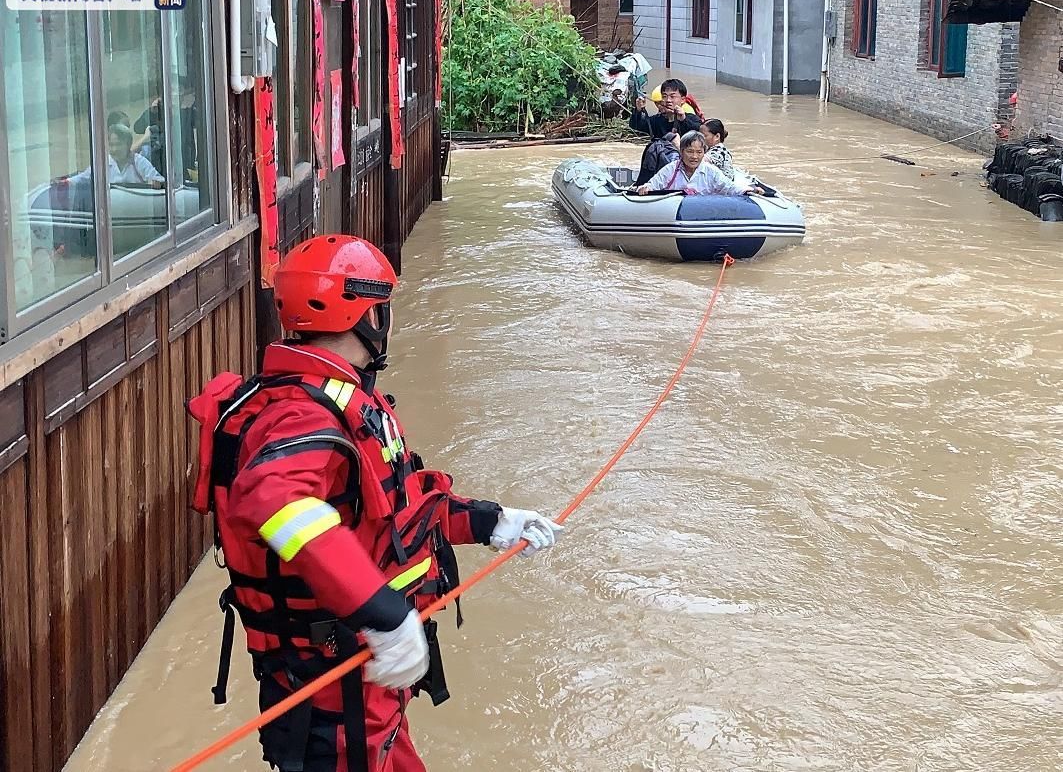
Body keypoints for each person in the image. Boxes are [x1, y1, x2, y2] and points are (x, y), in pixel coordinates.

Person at [187, 235, 564, 772]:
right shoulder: (303, 415)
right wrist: (383, 613)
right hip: (332, 688)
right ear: (365, 314)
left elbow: (396, 507)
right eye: (382, 308)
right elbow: (277, 501)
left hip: (365, 680)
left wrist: (490, 521)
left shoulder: (341, 399)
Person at [637, 131, 761, 196]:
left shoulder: (710, 171)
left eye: (699, 152)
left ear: (704, 153)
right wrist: (646, 188)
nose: (694, 157)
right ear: (681, 151)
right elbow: (654, 184)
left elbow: (729, 187)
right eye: (690, 151)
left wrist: (749, 190)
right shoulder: (671, 169)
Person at [65, 123, 164, 187]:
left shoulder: (139, 162)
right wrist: (65, 183)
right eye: (111, 145)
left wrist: (156, 183)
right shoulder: (103, 164)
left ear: (128, 144)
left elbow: (159, 180)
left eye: (119, 144)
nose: (114, 149)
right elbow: (82, 178)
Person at [628, 78, 702, 139]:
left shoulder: (693, 119)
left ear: (683, 100)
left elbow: (699, 134)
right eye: (664, 96)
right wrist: (638, 110)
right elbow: (636, 129)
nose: (668, 100)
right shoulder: (656, 120)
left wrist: (683, 120)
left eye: (672, 96)